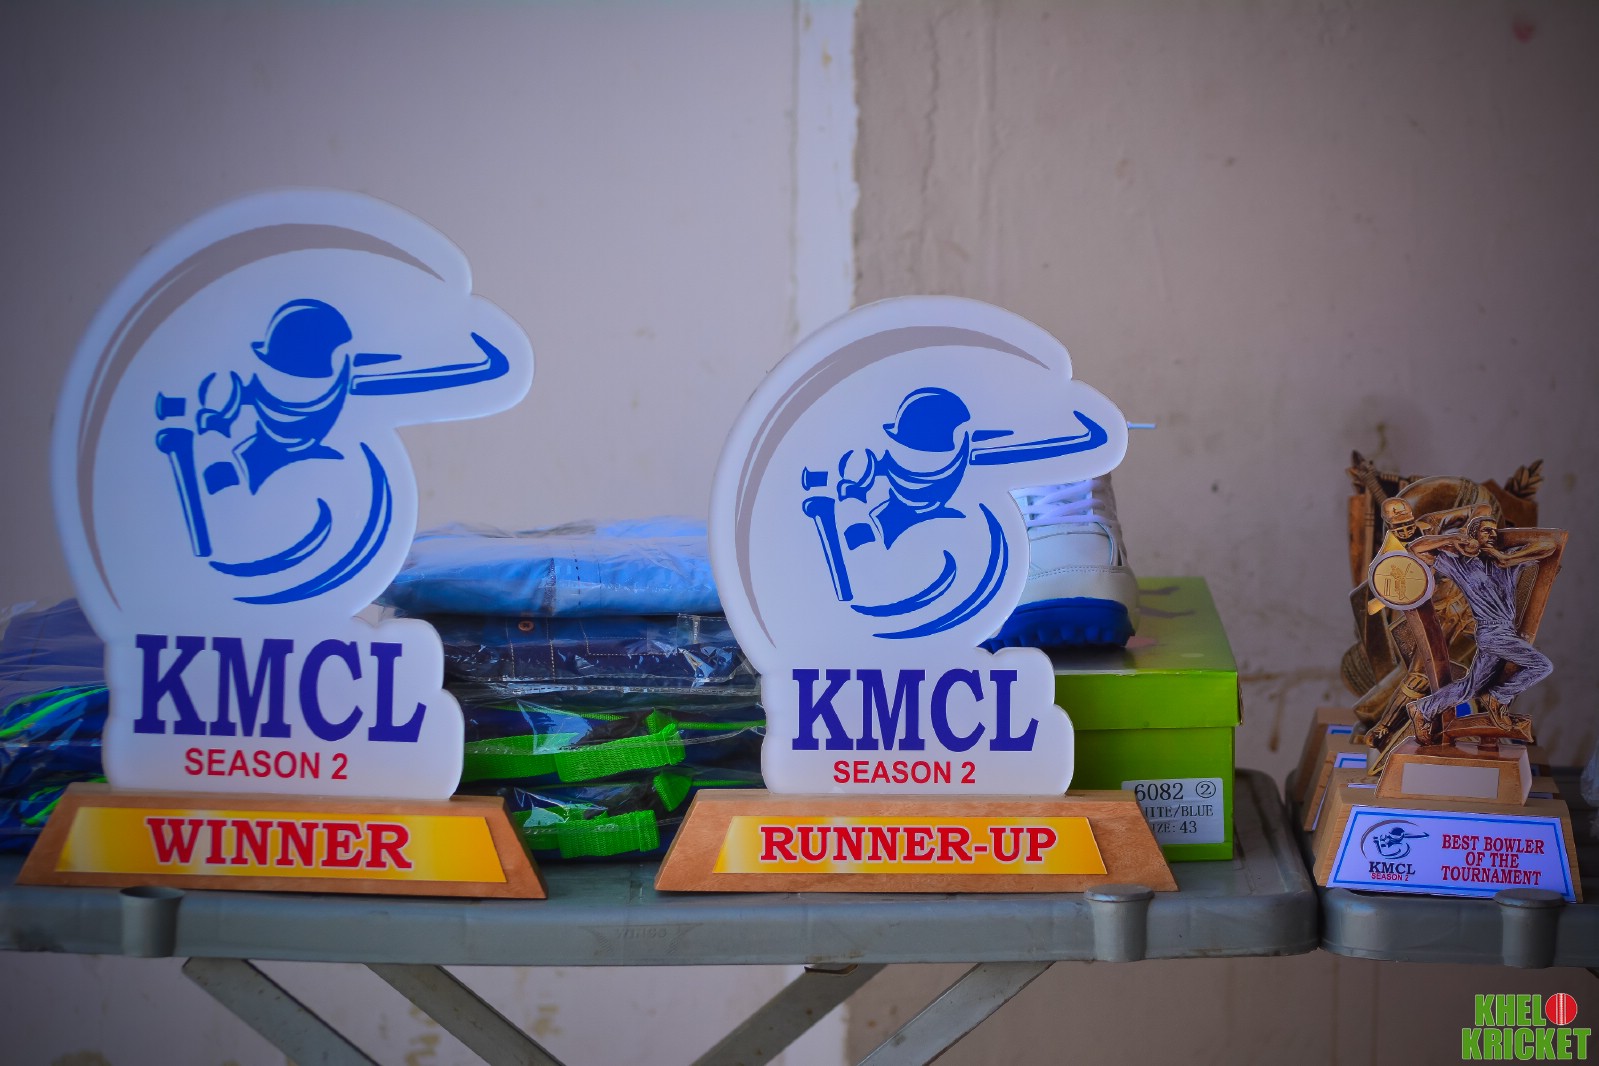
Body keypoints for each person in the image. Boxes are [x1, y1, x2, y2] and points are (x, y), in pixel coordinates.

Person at [1404, 516, 1560, 744]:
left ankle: (1422, 709)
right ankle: (1498, 696)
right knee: (1542, 666)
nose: (1492, 534)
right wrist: (1452, 539)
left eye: (1494, 531)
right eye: (1486, 530)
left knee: (1471, 687)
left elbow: (1549, 545)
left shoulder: (1507, 560)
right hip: (1491, 633)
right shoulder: (1461, 564)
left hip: (1505, 632)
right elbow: (1415, 548)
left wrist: (1506, 557)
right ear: (1473, 535)